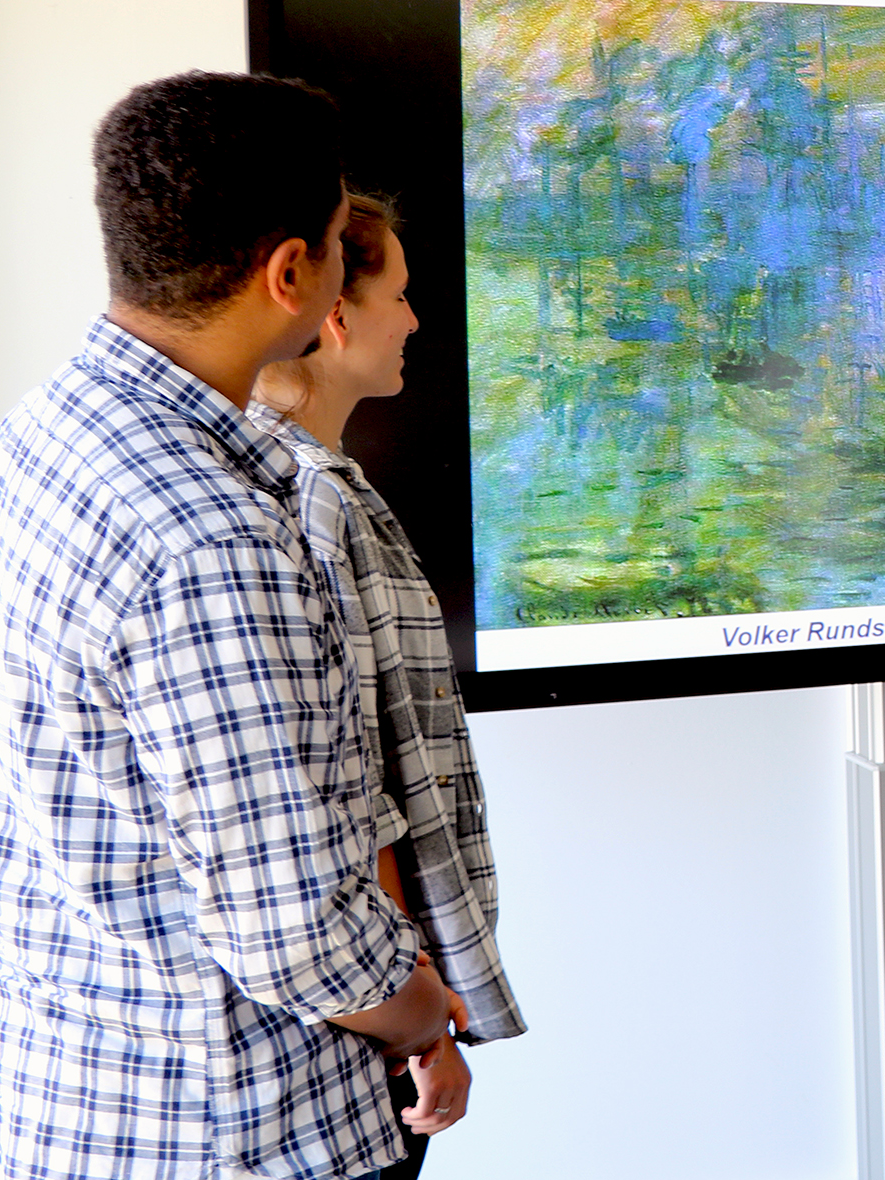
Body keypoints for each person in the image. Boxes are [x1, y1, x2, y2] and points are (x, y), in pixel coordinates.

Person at [0, 72, 454, 1179]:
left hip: (65, 1094)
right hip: (233, 1132)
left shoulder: (35, 434)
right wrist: (422, 1010)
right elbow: (295, 932)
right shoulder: (212, 540)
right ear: (291, 274)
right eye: (339, 242)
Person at [250, 193, 529, 1179]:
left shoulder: (309, 479)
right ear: (334, 312)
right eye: (400, 296)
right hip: (355, 1040)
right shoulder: (317, 502)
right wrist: (420, 1022)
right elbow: (358, 786)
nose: (414, 319)